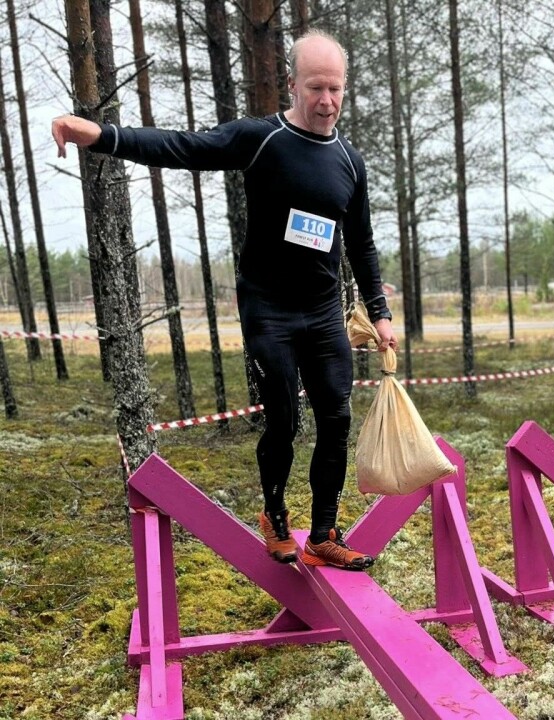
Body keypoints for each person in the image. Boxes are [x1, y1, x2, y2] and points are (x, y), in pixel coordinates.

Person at [52, 29, 397, 570]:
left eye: (335, 89)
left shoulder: (349, 162)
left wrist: (380, 312)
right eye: (315, 88)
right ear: (293, 85)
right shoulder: (262, 139)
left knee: (335, 417)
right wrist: (102, 136)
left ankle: (325, 531)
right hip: (270, 311)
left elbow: (362, 242)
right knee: (283, 419)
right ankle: (275, 518)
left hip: (325, 312)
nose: (326, 101)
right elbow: (183, 147)